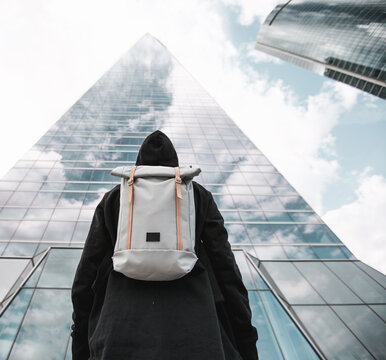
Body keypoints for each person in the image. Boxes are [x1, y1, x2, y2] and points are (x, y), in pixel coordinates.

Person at [71, 130, 258, 360]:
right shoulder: (199, 196)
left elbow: (85, 278)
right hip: (198, 336)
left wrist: (80, 343)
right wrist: (246, 342)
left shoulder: (114, 199)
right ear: (175, 165)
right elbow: (228, 272)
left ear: (138, 165)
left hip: (117, 334)